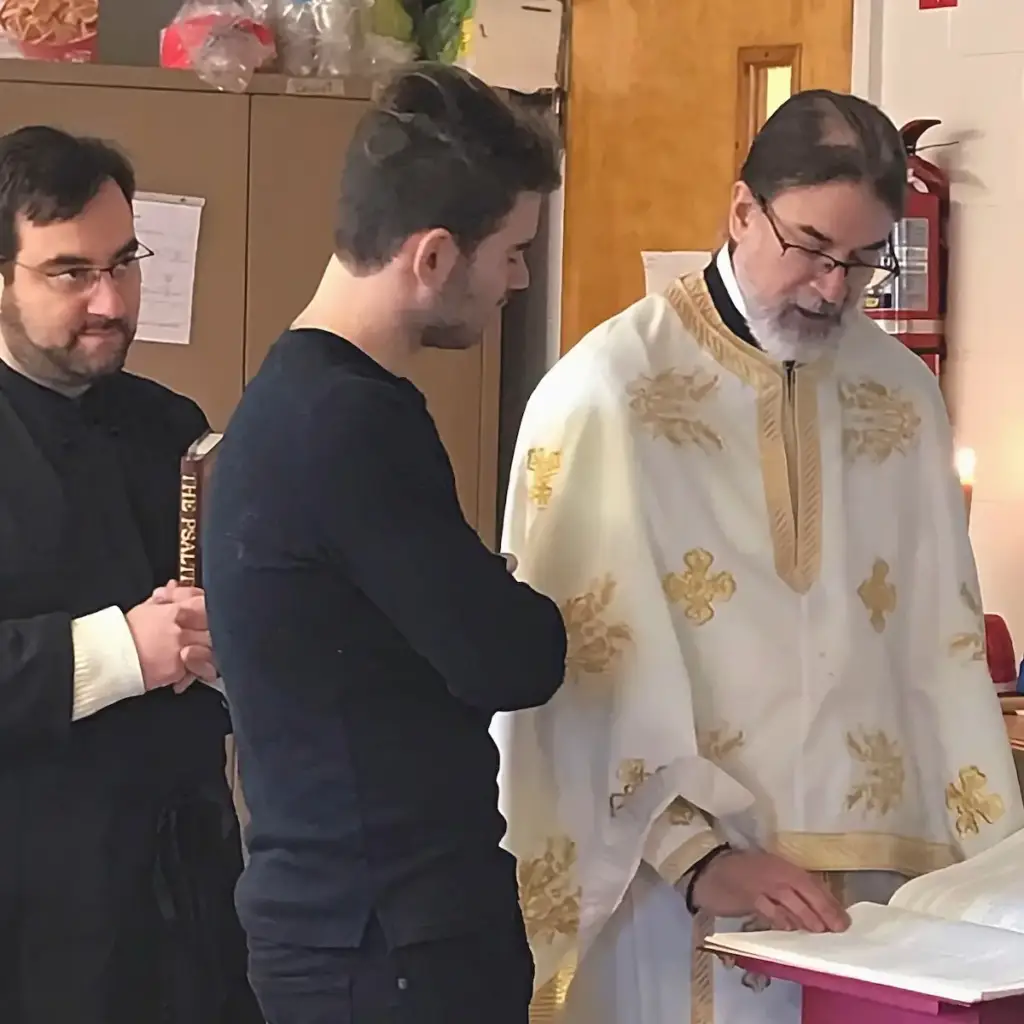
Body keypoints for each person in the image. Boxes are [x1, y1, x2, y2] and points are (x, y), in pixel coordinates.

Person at [494, 89, 1024, 1024]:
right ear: (742, 211)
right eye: (813, 249)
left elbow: (936, 648)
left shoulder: (901, 398)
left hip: (873, 893)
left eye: (863, 262)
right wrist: (697, 859)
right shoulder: (606, 395)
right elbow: (573, 670)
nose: (833, 288)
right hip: (674, 887)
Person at [202, 63, 568, 1024]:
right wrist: (506, 592)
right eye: (516, 252)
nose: (521, 280)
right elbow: (509, 655)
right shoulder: (353, 423)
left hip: (351, 921)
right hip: (387, 936)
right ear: (436, 257)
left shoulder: (292, 396)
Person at [0, 125, 260, 1023]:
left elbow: (221, 616)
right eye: (70, 272)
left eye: (124, 262)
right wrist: (126, 651)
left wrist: (228, 641)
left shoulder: (171, 423)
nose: (110, 300)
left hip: (190, 890)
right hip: (35, 921)